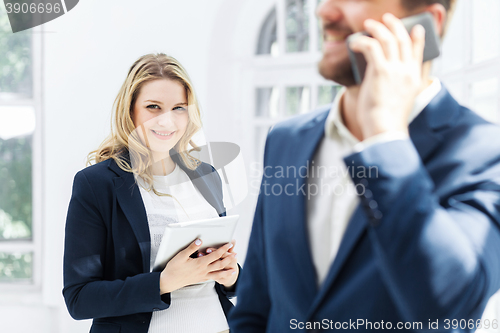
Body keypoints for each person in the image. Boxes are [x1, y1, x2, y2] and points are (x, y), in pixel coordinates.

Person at [229, 0, 500, 332]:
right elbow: (255, 305)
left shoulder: (485, 153)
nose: (324, 13)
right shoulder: (286, 140)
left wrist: (384, 137)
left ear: (426, 22)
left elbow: (448, 311)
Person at [63, 53, 239, 333]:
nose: (167, 121)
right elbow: (79, 299)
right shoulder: (96, 184)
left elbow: (221, 276)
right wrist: (163, 283)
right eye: (153, 107)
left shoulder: (207, 175)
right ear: (130, 110)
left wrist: (231, 274)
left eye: (178, 108)